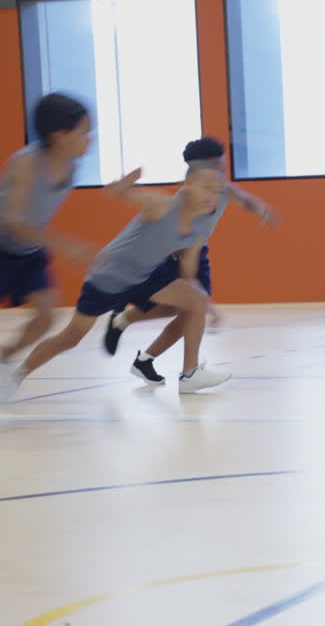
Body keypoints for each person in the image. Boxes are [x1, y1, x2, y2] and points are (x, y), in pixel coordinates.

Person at [1, 166, 232, 401]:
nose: (212, 196)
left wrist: (209, 308)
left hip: (144, 277)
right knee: (71, 337)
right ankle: (16, 376)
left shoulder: (198, 230)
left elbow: (189, 275)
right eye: (206, 188)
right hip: (108, 276)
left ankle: (190, 374)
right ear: (188, 185)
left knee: (194, 301)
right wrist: (124, 183)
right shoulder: (162, 206)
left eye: (217, 191)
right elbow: (113, 192)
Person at [103, 137, 278, 383]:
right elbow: (179, 242)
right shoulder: (186, 199)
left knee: (188, 312)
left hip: (197, 251)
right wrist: (209, 304)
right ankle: (188, 373)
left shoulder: (222, 188)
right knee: (195, 307)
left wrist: (262, 210)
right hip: (176, 253)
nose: (222, 169)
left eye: (223, 164)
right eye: (217, 165)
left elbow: (244, 199)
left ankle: (142, 355)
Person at [0, 93, 96, 365]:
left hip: (28, 253)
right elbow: (13, 221)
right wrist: (66, 246)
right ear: (59, 136)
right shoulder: (26, 163)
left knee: (46, 318)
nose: (90, 139)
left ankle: (3, 358)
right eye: (83, 132)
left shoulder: (71, 167)